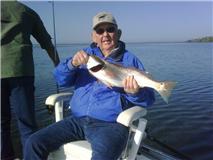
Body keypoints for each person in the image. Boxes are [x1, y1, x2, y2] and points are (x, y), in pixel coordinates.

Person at [24, 12, 155, 160]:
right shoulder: (84, 56)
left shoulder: (131, 61)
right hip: (76, 120)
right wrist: (71, 64)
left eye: (110, 29)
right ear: (93, 36)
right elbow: (60, 80)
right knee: (33, 142)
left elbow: (149, 99)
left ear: (118, 33)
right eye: (99, 31)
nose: (105, 34)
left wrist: (135, 93)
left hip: (110, 125)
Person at [1, 1, 60, 160]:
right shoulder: (27, 12)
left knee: (1, 123)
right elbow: (47, 43)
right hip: (22, 71)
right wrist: (58, 66)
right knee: (27, 124)